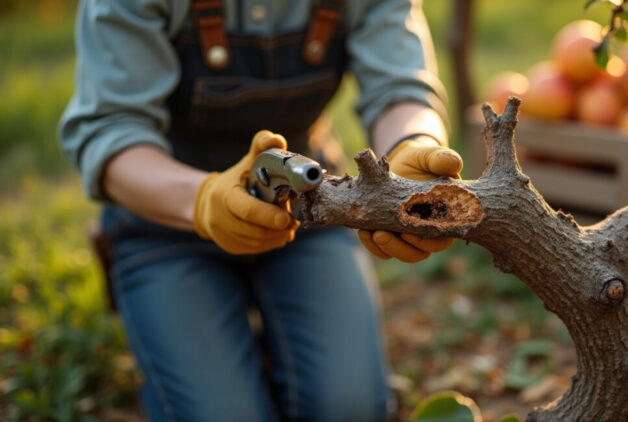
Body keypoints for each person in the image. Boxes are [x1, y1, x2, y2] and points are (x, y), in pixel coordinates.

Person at [59, 0, 463, 420]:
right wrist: (202, 200)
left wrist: (412, 149)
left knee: (350, 409)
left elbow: (401, 90)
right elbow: (112, 131)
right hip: (163, 223)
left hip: (309, 212)